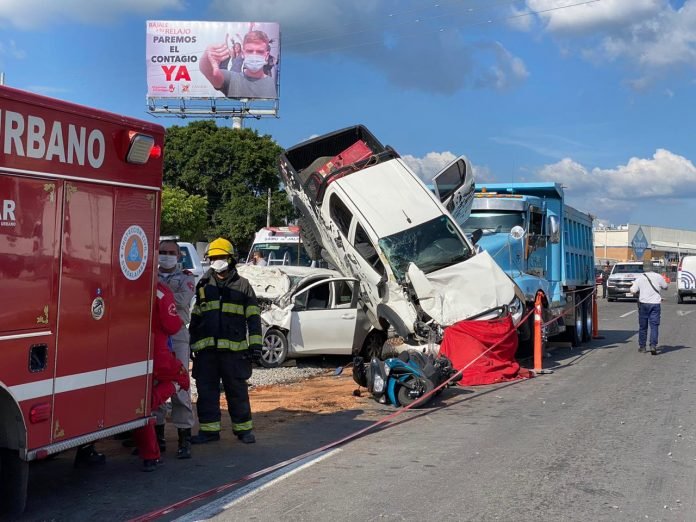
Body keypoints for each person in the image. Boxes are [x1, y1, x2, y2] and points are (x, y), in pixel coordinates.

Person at [189, 238, 263, 445]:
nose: (217, 261)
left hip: (234, 352)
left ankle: (244, 430)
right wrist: (191, 342)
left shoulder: (243, 286)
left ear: (231, 259)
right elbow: (196, 316)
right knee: (206, 392)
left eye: (221, 257)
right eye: (213, 258)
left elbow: (253, 317)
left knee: (237, 391)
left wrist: (256, 345)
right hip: (207, 352)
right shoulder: (203, 284)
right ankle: (209, 431)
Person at [134, 282, 190, 471]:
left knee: (138, 405)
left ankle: (151, 453)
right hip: (158, 353)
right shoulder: (159, 290)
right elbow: (172, 324)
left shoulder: (125, 284)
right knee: (182, 380)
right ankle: (160, 449)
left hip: (128, 352)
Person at [156, 240, 196, 459]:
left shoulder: (187, 277)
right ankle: (157, 436)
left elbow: (182, 301)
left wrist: (159, 294)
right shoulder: (150, 277)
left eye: (171, 253)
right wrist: (166, 294)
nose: (166, 256)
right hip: (156, 336)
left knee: (180, 385)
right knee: (154, 384)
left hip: (177, 335)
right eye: (162, 252)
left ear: (179, 256)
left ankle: (184, 437)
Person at [200, 30, 277, 99]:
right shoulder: (231, 78)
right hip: (234, 73)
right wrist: (206, 58)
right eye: (250, 51)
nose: (254, 56)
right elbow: (210, 73)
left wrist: (242, 35)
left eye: (259, 52)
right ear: (243, 53)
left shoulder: (272, 84)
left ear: (266, 56)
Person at [629, 260, 668, 355]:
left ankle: (642, 347)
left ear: (644, 268)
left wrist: (633, 286)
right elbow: (666, 286)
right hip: (655, 304)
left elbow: (633, 291)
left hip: (643, 305)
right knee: (654, 326)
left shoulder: (639, 278)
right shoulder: (658, 277)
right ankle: (653, 345)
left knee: (643, 327)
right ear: (652, 267)